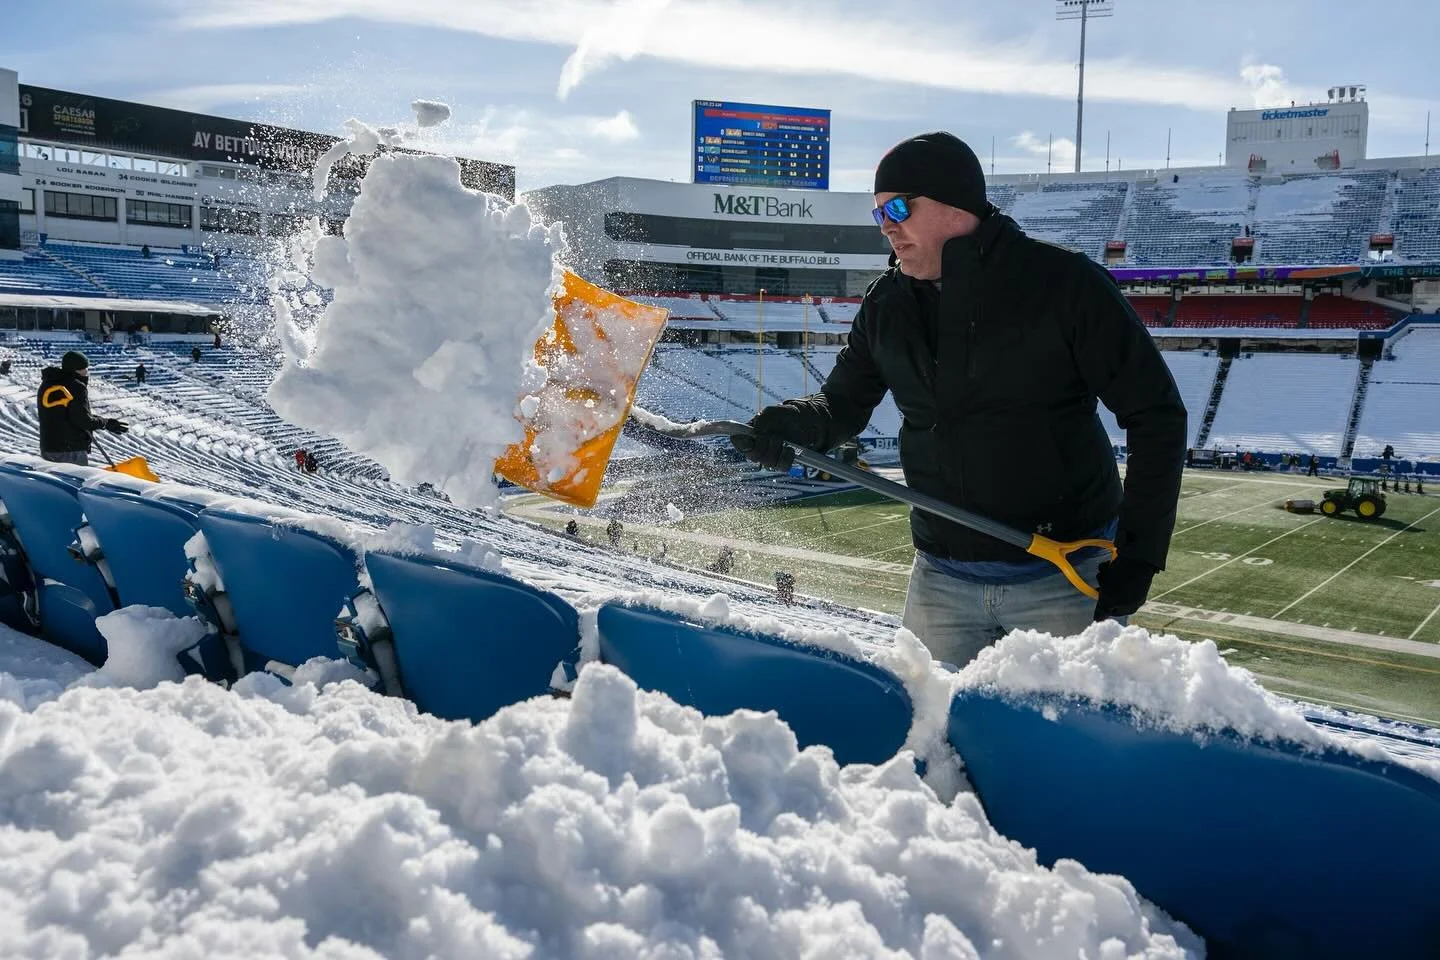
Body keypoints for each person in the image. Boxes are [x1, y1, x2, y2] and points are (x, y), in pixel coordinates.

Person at [732, 132, 1186, 668]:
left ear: (954, 204)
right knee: (930, 735)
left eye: (897, 207)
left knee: (1056, 747)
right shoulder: (887, 303)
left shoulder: (1063, 285)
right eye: (877, 213)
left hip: (1062, 578)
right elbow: (842, 405)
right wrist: (794, 424)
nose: (886, 226)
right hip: (940, 580)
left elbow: (1155, 414)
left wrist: (1140, 552)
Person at [36, 350, 128, 466]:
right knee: (73, 483)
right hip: (70, 450)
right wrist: (106, 423)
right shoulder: (76, 386)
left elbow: (68, 414)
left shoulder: (47, 383)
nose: (87, 371)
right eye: (86, 368)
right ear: (78, 369)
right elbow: (83, 420)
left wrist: (101, 420)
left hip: (49, 447)